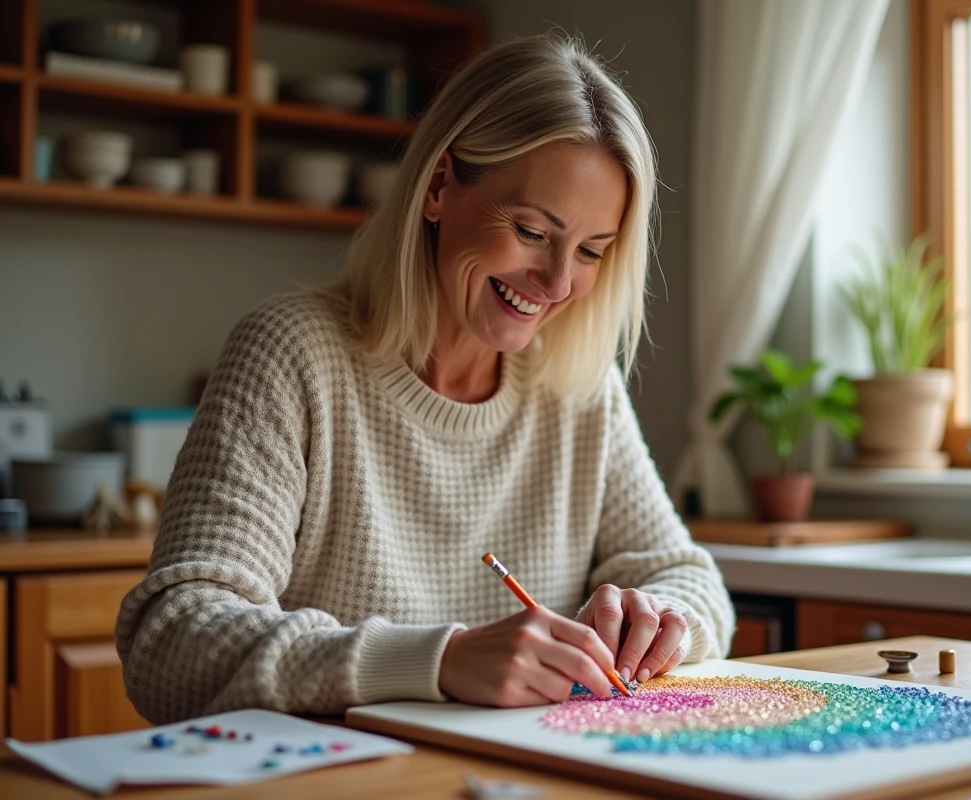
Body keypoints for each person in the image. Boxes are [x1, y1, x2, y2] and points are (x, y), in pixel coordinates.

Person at [116, 34, 734, 723]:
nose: (559, 282)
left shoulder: (578, 388)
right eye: (531, 231)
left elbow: (690, 579)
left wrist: (657, 621)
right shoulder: (293, 354)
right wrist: (437, 661)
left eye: (591, 250)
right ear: (439, 187)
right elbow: (171, 640)